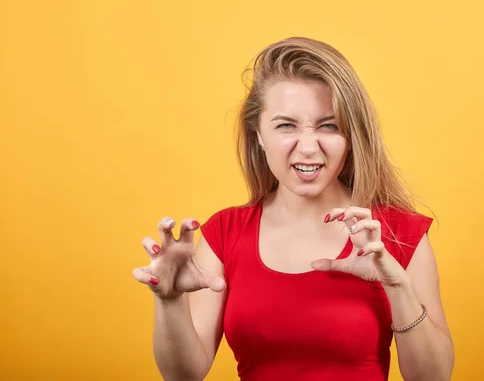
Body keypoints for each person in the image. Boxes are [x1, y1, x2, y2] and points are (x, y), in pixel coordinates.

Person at [132, 36, 455, 381]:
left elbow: (433, 378)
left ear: (351, 135)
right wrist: (169, 301)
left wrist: (398, 287)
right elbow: (184, 375)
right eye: (286, 125)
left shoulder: (397, 233)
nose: (308, 147)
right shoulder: (225, 234)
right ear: (258, 134)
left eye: (328, 126)